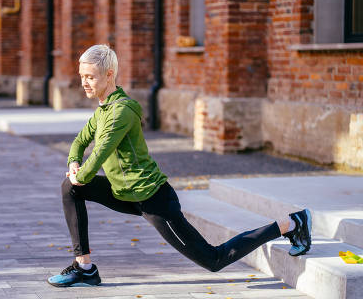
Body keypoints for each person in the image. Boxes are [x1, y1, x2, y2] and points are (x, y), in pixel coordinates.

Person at [47, 45, 312, 287]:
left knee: (214, 259)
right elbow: (81, 141)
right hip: (124, 193)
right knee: (70, 188)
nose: (83, 83)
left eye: (90, 77)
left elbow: (100, 152)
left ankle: (291, 223)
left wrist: (81, 173)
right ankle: (85, 267)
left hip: (153, 200)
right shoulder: (103, 110)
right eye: (82, 76)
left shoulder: (121, 111)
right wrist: (73, 164)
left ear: (109, 75)